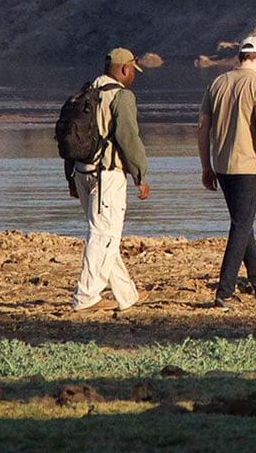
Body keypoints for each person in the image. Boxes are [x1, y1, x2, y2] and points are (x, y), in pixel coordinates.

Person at [198, 36, 256, 308]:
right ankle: (224, 290)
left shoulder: (216, 83)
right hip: (247, 167)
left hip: (221, 165)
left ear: (240, 56)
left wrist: (206, 166)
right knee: (241, 225)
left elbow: (202, 128)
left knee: (243, 223)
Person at [68, 47, 149, 312]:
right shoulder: (121, 96)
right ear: (124, 69)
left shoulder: (86, 92)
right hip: (107, 175)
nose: (132, 77)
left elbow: (70, 135)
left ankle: (127, 295)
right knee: (104, 235)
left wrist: (70, 178)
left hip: (81, 171)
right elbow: (129, 139)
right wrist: (140, 175)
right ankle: (86, 297)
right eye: (132, 72)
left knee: (105, 235)